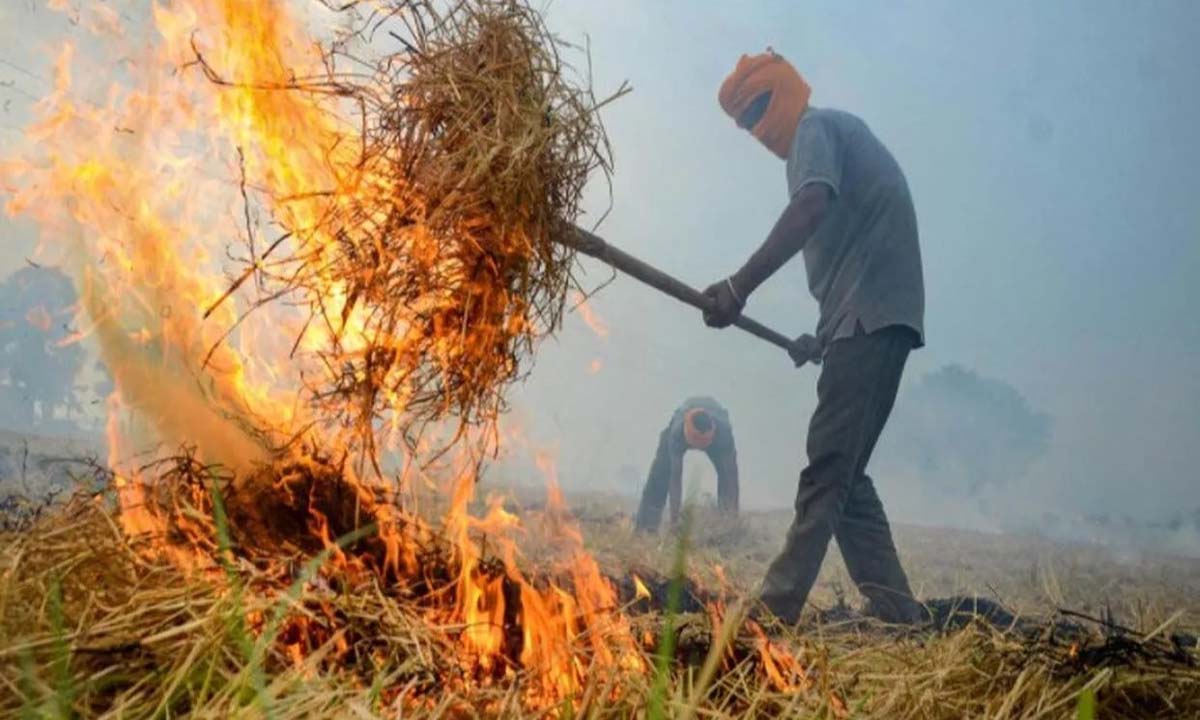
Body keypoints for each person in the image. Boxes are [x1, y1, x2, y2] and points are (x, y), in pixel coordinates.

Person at [701, 50, 925, 624]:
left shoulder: (814, 129)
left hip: (870, 319)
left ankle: (773, 610)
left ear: (784, 91)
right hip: (865, 321)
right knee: (845, 474)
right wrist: (821, 340)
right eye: (746, 120)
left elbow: (810, 207)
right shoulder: (829, 133)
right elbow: (855, 250)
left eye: (757, 109)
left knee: (828, 466)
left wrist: (738, 285)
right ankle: (900, 613)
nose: (756, 127)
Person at [634, 397, 738, 533]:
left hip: (718, 434)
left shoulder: (723, 435)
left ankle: (727, 528)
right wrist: (674, 522)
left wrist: (732, 519)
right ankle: (646, 527)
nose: (699, 446)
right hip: (682, 425)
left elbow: (731, 480)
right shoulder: (677, 432)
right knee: (660, 474)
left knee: (727, 478)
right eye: (697, 441)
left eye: (704, 441)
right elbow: (674, 478)